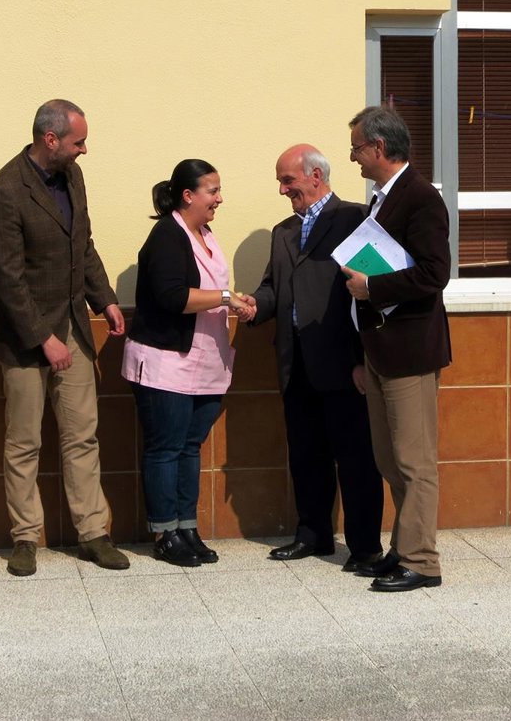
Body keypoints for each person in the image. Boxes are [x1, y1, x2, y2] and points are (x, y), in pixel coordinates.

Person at [0, 99, 130, 576]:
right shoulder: (4, 191)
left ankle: (93, 533)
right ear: (50, 139)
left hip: (74, 326)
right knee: (24, 441)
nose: (84, 150)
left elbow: (82, 245)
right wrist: (43, 337)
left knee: (82, 436)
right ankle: (25, 538)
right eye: (78, 142)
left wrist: (105, 300)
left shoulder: (73, 177)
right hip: (27, 340)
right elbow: (7, 279)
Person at [250, 145, 386, 570]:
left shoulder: (356, 219)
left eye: (287, 180)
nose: (282, 190)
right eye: (280, 182)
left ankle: (365, 548)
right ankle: (313, 534)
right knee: (306, 455)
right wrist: (254, 305)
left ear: (315, 176)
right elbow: (274, 287)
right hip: (296, 363)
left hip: (344, 364)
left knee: (356, 459)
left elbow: (371, 293)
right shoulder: (283, 232)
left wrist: (363, 358)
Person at [122, 160, 256, 566]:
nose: (219, 199)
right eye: (212, 191)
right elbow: (173, 297)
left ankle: (186, 527)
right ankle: (165, 533)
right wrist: (227, 298)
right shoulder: (167, 235)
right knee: (165, 447)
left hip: (204, 362)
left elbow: (213, 290)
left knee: (189, 447)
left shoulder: (206, 234)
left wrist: (238, 300)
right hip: (166, 362)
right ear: (187, 195)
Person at [344, 105, 452, 592]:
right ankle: (403, 548)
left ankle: (422, 561)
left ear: (379, 147)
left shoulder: (421, 197)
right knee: (389, 459)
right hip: (380, 348)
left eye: (357, 148)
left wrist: (372, 287)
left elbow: (434, 274)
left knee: (414, 460)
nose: (353, 157)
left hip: (409, 350)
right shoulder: (382, 198)